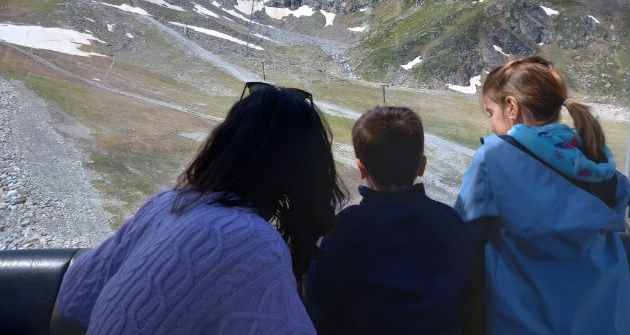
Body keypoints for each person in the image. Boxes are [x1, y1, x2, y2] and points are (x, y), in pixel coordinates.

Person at [57, 83, 346, 334]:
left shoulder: (170, 201)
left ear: (222, 144)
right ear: (302, 170)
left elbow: (75, 293)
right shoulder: (255, 243)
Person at [455, 56, 630, 334]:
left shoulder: (493, 159)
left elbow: (463, 228)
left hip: (524, 323)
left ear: (511, 107)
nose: (491, 123)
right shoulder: (595, 158)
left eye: (491, 112)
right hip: (610, 317)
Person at [305, 106, 474, 335]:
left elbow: (320, 301)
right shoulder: (450, 221)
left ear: (361, 168)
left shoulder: (346, 228)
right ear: (422, 166)